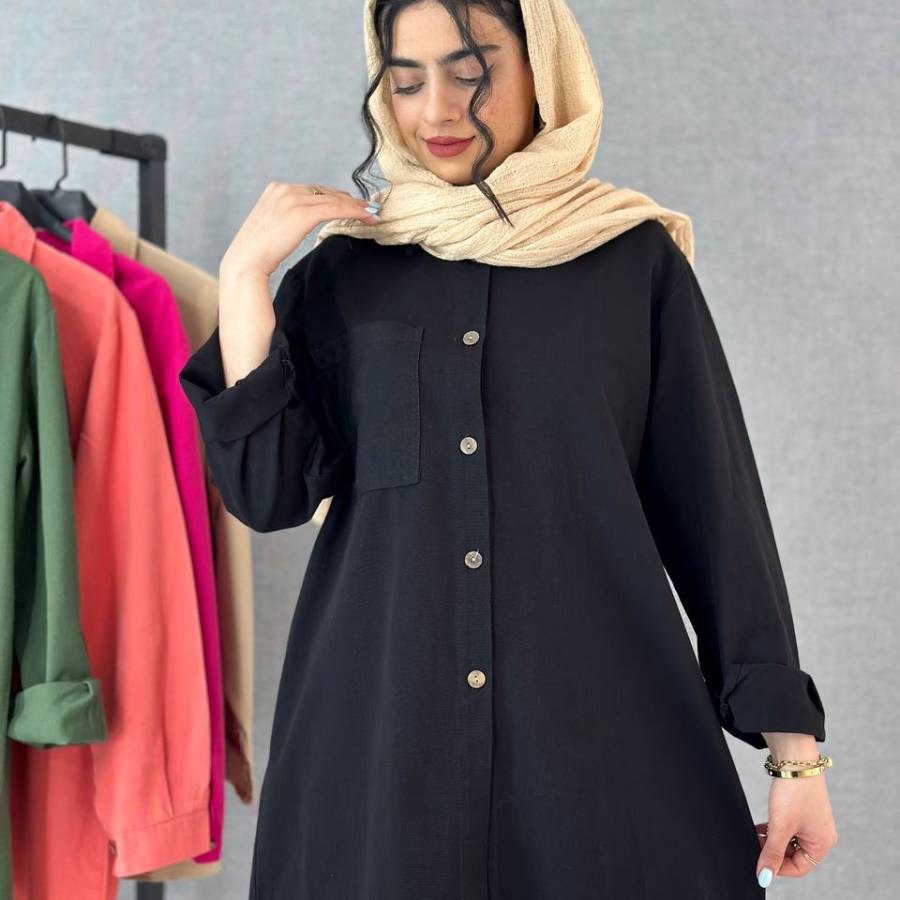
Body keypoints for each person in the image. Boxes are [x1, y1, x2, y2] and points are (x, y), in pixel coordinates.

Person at [178, 1, 838, 897]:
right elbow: (265, 493)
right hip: (382, 760)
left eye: (471, 72)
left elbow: (717, 514)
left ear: (543, 70)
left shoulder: (631, 263)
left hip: (596, 756)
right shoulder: (344, 274)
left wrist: (795, 755)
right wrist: (245, 277)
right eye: (406, 82)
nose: (437, 110)